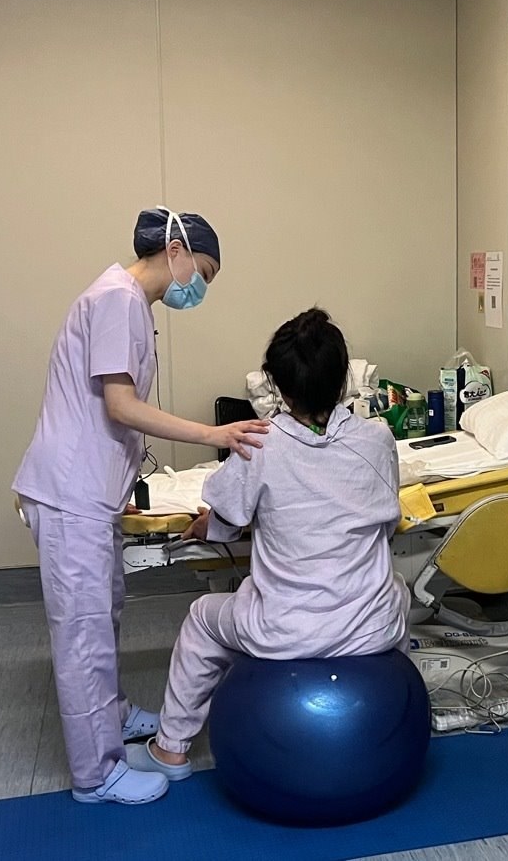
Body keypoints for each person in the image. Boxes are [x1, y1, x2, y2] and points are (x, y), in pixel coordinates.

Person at [12, 208, 269, 805]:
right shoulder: (117, 299)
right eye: (202, 272)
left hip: (87, 492)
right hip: (71, 492)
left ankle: (113, 716)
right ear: (174, 249)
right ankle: (97, 774)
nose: (198, 287)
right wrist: (214, 434)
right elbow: (121, 407)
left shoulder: (126, 302)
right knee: (83, 634)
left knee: (101, 613)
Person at [127, 308, 409, 781]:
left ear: (279, 386)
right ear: (343, 379)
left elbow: (226, 518)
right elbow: (384, 518)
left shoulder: (259, 443)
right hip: (370, 625)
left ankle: (170, 750)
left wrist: (207, 526)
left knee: (202, 619)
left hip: (287, 630)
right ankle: (399, 716)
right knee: (395, 589)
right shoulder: (378, 439)